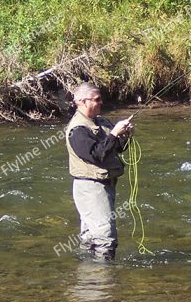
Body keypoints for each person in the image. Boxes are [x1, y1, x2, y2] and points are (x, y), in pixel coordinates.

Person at [65, 82, 133, 260]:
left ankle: (89, 278)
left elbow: (116, 148)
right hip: (90, 187)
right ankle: (104, 279)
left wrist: (124, 135)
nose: (101, 102)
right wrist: (113, 134)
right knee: (105, 238)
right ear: (82, 102)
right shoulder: (77, 129)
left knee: (90, 236)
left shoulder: (101, 121)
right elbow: (96, 155)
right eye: (97, 99)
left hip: (104, 185)